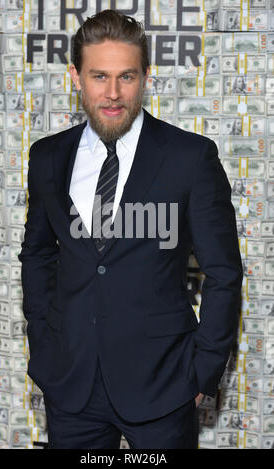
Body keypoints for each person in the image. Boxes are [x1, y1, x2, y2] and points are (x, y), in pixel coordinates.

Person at [18, 9, 243, 449]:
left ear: (145, 76)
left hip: (164, 383)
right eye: (99, 76)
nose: (113, 93)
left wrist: (203, 370)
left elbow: (224, 272)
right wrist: (44, 346)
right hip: (71, 385)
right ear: (76, 76)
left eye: (127, 76)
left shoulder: (190, 157)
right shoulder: (47, 157)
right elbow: (38, 256)